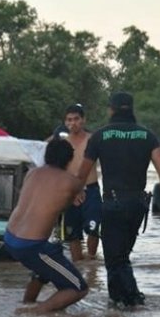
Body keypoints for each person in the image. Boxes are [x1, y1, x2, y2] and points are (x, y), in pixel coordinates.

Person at [77, 91, 160, 307]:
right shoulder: (147, 135)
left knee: (115, 259)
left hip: (112, 203)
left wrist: (76, 191)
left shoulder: (100, 136)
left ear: (111, 109)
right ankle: (120, 308)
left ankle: (131, 301)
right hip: (139, 205)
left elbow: (82, 172)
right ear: (131, 109)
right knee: (121, 255)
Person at [4, 139, 88, 313]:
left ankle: (27, 303)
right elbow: (69, 203)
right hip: (32, 246)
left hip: (10, 238)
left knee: (46, 265)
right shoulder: (72, 182)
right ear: (69, 160)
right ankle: (33, 315)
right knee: (78, 288)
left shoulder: (32, 173)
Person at [53, 104, 102, 261]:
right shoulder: (63, 144)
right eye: (69, 120)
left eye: (76, 119)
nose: (72, 123)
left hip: (91, 190)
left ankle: (92, 264)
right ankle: (78, 267)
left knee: (94, 229)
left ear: (83, 120)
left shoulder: (93, 140)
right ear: (65, 122)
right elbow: (58, 170)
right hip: (70, 192)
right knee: (72, 234)